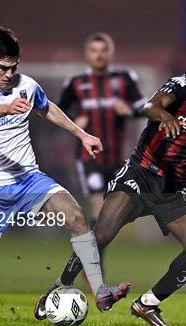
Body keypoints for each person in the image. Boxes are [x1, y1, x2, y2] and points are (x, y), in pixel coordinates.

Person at [35, 51, 186, 326]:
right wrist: (165, 115)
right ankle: (60, 286)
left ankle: (148, 303)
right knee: (101, 235)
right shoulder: (184, 86)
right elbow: (149, 106)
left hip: (174, 187)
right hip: (140, 173)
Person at [0, 27, 129, 326]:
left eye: (14, 67)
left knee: (76, 216)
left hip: (28, 179)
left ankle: (100, 290)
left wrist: (82, 134)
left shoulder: (27, 85)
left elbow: (47, 109)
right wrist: (6, 108)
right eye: (2, 67)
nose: (9, 74)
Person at [59, 32, 145, 224]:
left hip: (118, 159)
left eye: (103, 50)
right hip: (88, 157)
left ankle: (91, 249)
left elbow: (144, 107)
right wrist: (74, 120)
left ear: (111, 53)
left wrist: (129, 110)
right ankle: (91, 254)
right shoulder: (76, 83)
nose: (99, 55)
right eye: (94, 50)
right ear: (87, 54)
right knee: (98, 211)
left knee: (115, 214)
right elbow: (56, 111)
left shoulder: (124, 79)